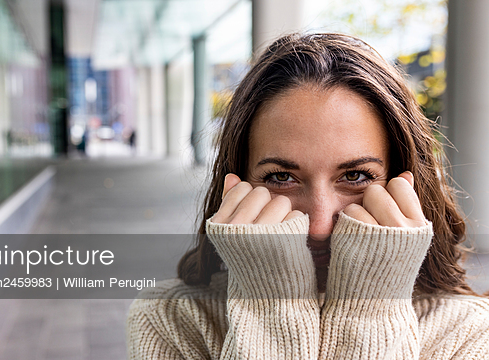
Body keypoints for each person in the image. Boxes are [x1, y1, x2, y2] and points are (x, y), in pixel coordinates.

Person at [126, 33, 489, 359]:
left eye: (355, 176)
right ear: (236, 185)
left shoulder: (469, 332)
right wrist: (272, 309)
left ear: (403, 185)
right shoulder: (169, 320)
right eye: (281, 177)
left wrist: (367, 310)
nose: (317, 225)